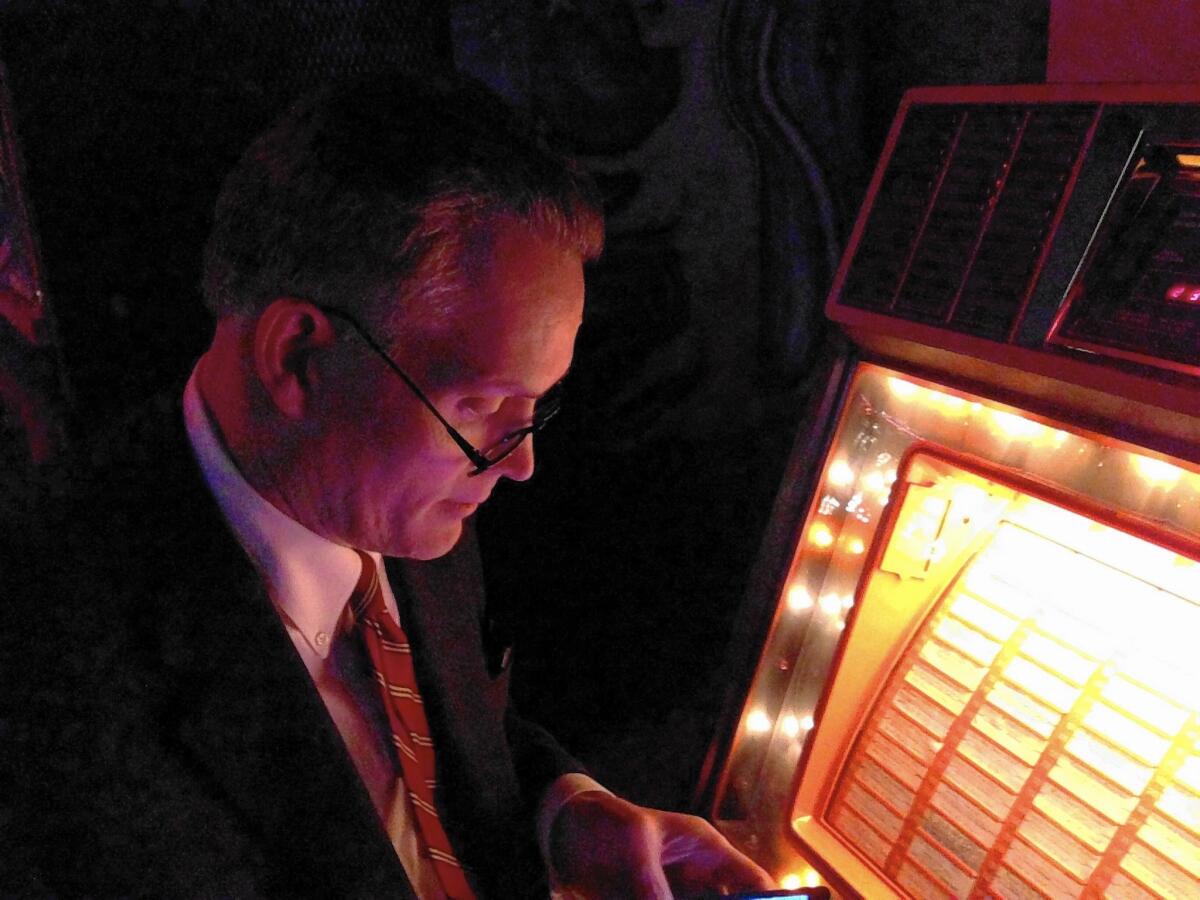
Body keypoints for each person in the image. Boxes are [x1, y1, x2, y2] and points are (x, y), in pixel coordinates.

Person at [6, 75, 774, 898]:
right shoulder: (45, 676)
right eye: (481, 405)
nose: (518, 463)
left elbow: (443, 738)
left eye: (533, 407)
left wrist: (566, 817)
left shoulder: (392, 474)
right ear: (299, 357)